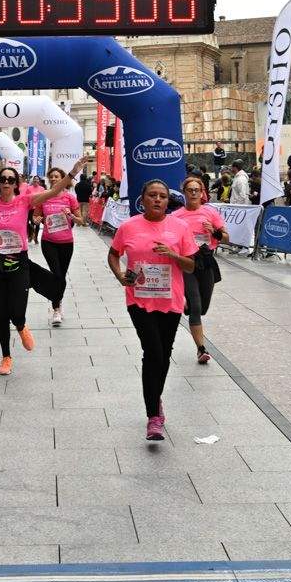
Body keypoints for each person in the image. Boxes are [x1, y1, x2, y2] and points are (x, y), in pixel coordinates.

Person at [108, 179, 199, 441]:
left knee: (164, 354)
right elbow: (113, 254)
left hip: (169, 301)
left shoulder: (180, 227)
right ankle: (153, 416)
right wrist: (119, 274)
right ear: (143, 199)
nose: (158, 200)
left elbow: (191, 266)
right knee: (153, 352)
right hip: (139, 300)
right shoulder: (128, 227)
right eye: (152, 195)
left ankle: (154, 399)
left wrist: (173, 255)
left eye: (162, 196)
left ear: (168, 200)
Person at [0, 163, 84, 375]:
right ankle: (6, 357)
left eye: (10, 179)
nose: (6, 182)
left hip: (19, 265)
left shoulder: (25, 201)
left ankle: (21, 324)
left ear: (16, 184)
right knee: (0, 314)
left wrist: (72, 172)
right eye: (3, 179)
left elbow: (52, 191)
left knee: (17, 310)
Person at [175, 175, 227, 366]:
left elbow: (226, 237)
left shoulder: (210, 213)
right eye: (191, 190)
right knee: (196, 307)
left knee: (202, 307)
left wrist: (214, 231)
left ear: (202, 192)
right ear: (184, 193)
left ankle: (187, 303)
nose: (194, 193)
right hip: (188, 262)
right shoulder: (176, 216)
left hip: (206, 262)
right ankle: (201, 349)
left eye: (198, 190)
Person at [38, 166, 82, 327]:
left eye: (57, 176)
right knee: (56, 274)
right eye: (52, 177)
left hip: (66, 243)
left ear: (64, 179)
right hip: (48, 241)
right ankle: (56, 309)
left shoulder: (70, 198)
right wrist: (36, 220)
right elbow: (37, 215)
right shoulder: (43, 197)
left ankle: (58, 301)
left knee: (61, 276)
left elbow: (81, 220)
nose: (54, 179)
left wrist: (69, 215)